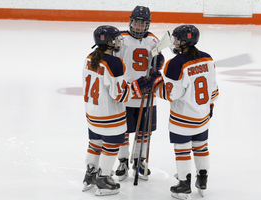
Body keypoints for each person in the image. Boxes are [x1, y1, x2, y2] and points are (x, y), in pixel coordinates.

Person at [82, 25, 159, 196]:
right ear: (109, 42)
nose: (119, 41)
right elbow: (121, 95)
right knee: (111, 145)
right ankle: (103, 179)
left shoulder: (89, 58)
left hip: (92, 113)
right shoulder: (114, 63)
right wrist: (140, 86)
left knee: (95, 144)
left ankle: (90, 175)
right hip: (110, 115)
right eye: (116, 39)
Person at [153, 25, 219, 199]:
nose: (173, 42)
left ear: (184, 42)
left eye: (176, 40)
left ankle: (183, 184)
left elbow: (171, 94)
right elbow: (213, 91)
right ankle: (202, 180)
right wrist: (207, 108)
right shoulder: (207, 58)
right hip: (203, 116)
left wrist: (155, 82)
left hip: (182, 119)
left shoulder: (175, 64)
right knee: (201, 148)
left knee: (182, 150)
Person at [114, 5, 165, 181]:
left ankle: (139, 160)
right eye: (136, 23)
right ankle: (122, 161)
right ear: (131, 22)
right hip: (126, 96)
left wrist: (158, 65)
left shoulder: (153, 41)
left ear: (148, 25)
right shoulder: (120, 39)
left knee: (145, 132)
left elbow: (158, 62)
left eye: (143, 24)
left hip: (147, 95)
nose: (139, 27)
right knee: (123, 131)